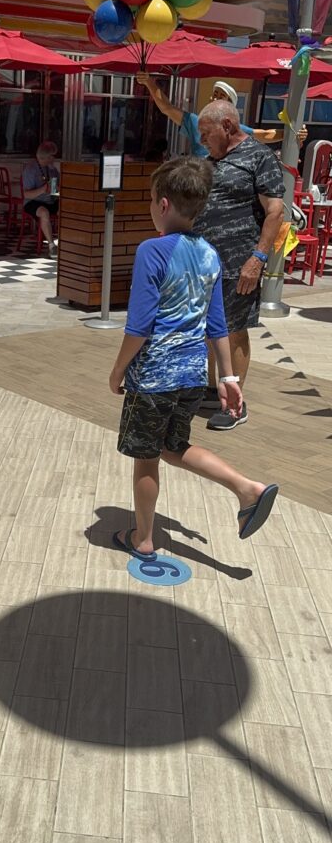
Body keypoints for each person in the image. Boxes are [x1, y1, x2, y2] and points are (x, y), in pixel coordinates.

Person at [109, 156, 278, 560]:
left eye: (151, 200)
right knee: (173, 446)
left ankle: (143, 539)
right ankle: (246, 488)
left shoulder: (153, 250)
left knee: (146, 458)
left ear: (163, 204)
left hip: (153, 377)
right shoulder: (208, 253)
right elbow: (217, 325)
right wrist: (229, 379)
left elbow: (140, 326)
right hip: (190, 377)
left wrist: (117, 372)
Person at [193, 100, 284, 430]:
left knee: (232, 330)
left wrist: (258, 259)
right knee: (206, 330)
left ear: (228, 126)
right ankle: (208, 387)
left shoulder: (259, 158)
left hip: (239, 262)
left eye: (206, 133)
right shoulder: (211, 161)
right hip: (205, 263)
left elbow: (275, 211)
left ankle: (234, 403)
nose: (202, 140)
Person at [136, 74, 308, 157]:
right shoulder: (195, 121)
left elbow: (265, 134)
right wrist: (149, 82)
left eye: (222, 96)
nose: (216, 97)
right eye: (215, 94)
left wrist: (292, 132)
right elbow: (166, 108)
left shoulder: (237, 129)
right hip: (201, 186)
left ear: (229, 106)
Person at [22, 141, 60, 257]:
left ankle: (66, 242)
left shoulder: (52, 170)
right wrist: (43, 189)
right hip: (33, 202)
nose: (54, 158)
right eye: (52, 156)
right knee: (44, 212)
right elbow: (26, 194)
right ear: (47, 156)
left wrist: (56, 190)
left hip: (50, 200)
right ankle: (51, 245)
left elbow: (54, 192)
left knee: (66, 209)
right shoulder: (31, 169)